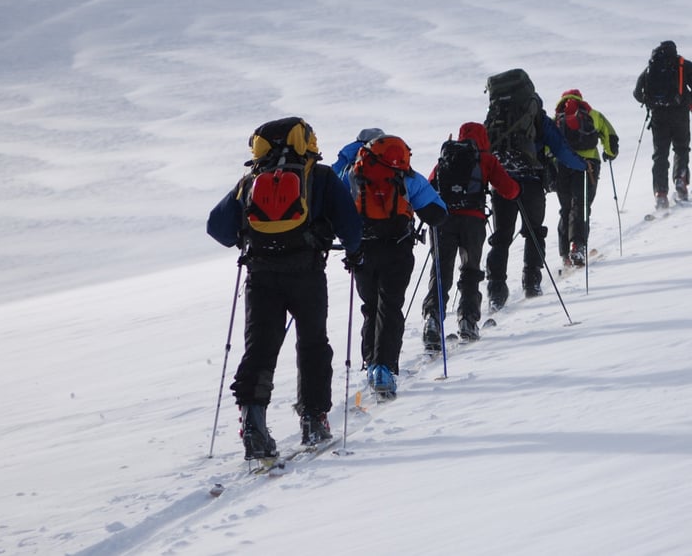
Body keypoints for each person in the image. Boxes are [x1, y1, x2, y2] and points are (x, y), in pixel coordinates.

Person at [206, 117, 364, 460]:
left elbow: (216, 226)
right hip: (306, 272)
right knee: (312, 344)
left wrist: (244, 239)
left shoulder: (249, 181)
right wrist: (354, 251)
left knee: (259, 349)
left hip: (260, 275)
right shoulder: (319, 176)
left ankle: (253, 423)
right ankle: (313, 419)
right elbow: (351, 227)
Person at [341, 133, 447, 398]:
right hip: (397, 250)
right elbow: (437, 213)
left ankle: (369, 364)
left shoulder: (352, 175)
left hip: (362, 252)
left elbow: (337, 211)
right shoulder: (407, 177)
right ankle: (385, 369)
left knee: (371, 307)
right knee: (390, 307)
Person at [483, 69, 586, 310]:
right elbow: (560, 148)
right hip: (531, 180)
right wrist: (582, 165)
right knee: (534, 232)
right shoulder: (536, 116)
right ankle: (532, 282)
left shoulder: (494, 115)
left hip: (501, 182)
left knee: (501, 237)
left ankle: (496, 290)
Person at [421, 122, 520, 348]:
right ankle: (467, 320)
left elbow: (428, 187)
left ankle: (432, 320)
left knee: (440, 270)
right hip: (472, 222)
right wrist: (519, 190)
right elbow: (508, 189)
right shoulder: (485, 159)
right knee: (470, 270)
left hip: (443, 220)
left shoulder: (446, 156)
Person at [632, 40, 692, 209]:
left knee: (660, 155)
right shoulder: (682, 65)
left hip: (658, 116)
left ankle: (660, 194)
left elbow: (637, 92)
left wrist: (649, 103)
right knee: (681, 148)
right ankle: (680, 180)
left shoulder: (651, 67)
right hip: (680, 113)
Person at [552, 90, 619, 267]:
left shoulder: (556, 119)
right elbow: (610, 135)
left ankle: (565, 254)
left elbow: (547, 143)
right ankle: (578, 246)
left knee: (566, 207)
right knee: (581, 205)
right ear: (580, 99)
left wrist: (550, 166)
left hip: (562, 166)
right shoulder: (592, 114)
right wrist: (610, 153)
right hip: (588, 165)